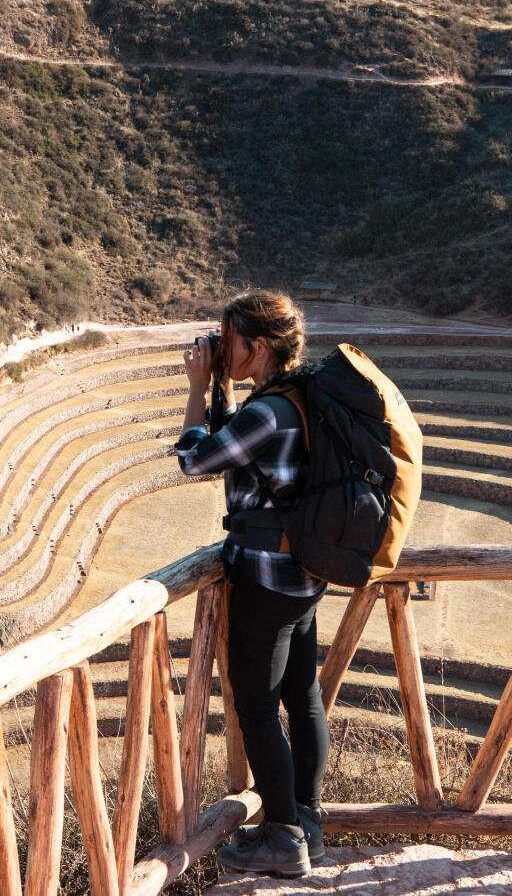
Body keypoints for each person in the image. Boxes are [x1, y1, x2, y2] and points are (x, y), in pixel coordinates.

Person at [175, 291, 323, 878]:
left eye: (228, 338)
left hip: (266, 582)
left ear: (256, 346)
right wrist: (223, 388)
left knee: (257, 708)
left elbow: (196, 459)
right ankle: (307, 820)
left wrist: (194, 389)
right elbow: (241, 446)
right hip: (305, 574)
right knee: (301, 696)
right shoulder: (299, 397)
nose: (219, 346)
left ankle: (283, 840)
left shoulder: (269, 414)